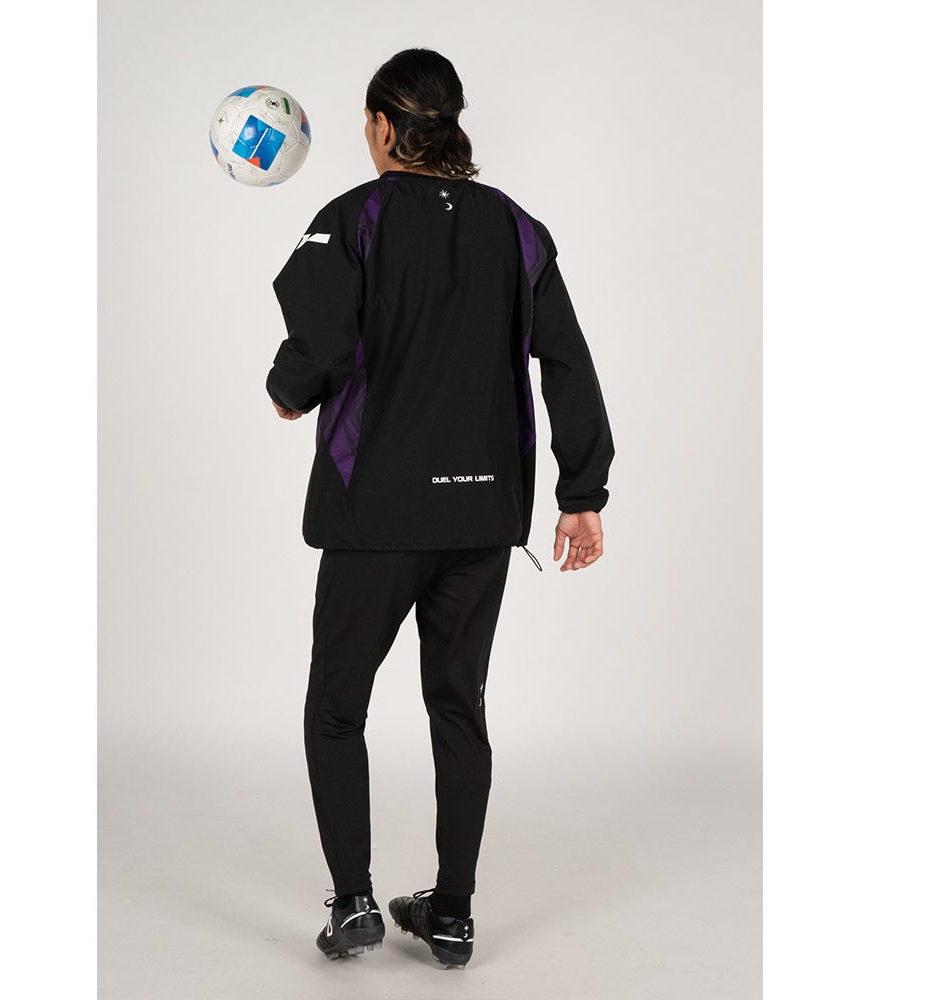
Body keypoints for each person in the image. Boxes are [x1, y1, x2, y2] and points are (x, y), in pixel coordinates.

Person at [265, 48, 614, 969]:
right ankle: (452, 913)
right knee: (459, 707)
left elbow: (319, 346)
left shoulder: (352, 218)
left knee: (336, 709)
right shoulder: (518, 228)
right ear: (449, 125)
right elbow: (567, 359)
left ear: (384, 126)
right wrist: (581, 493)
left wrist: (289, 389)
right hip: (480, 521)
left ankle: (354, 905)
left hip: (374, 518)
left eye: (367, 124)